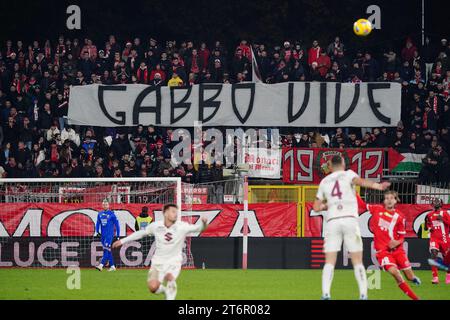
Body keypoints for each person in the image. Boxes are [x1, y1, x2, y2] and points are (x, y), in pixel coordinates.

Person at [313, 155, 390, 300]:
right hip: (349, 220)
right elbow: (359, 181)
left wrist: (327, 204)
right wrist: (378, 186)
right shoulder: (348, 174)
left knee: (329, 261)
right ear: (342, 163)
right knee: (357, 261)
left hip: (333, 221)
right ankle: (363, 294)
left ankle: (326, 294)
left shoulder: (324, 181)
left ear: (330, 166)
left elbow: (316, 207)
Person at [112, 203, 208, 300]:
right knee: (153, 287)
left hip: (174, 261)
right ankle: (166, 291)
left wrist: (203, 224)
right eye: (173, 211)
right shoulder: (156, 226)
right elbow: (142, 233)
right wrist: (122, 241)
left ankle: (170, 297)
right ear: (165, 213)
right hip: (158, 262)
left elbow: (198, 228)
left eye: (176, 212)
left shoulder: (182, 226)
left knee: (169, 277)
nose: (175, 214)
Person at [358, 191, 421, 300]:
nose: (389, 200)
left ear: (396, 200)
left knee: (410, 277)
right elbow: (362, 205)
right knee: (395, 272)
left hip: (398, 251)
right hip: (383, 252)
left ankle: (413, 278)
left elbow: (402, 237)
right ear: (384, 201)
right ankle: (416, 298)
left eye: (392, 198)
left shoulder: (400, 217)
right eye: (387, 198)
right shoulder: (377, 209)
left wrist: (396, 242)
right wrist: (354, 191)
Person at [425, 198, 450, 284]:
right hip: (434, 238)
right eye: (434, 202)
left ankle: (448, 276)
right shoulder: (429, 215)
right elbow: (427, 224)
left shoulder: (445, 213)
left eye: (437, 202)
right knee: (433, 254)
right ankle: (435, 278)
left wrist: (443, 219)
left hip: (445, 239)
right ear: (432, 204)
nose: (436, 203)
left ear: (441, 204)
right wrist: (429, 228)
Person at [95, 199, 120, 272]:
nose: (104, 206)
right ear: (102, 205)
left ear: (108, 205)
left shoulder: (112, 214)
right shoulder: (99, 214)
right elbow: (97, 223)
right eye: (103, 204)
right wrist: (97, 232)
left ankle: (101, 265)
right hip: (103, 235)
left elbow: (117, 225)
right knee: (107, 251)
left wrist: (118, 235)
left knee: (106, 250)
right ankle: (112, 266)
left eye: (106, 204)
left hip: (109, 235)